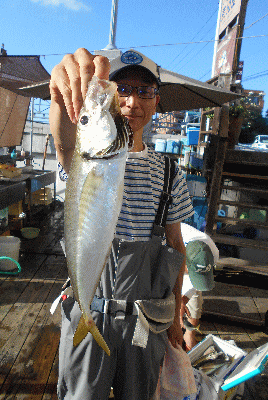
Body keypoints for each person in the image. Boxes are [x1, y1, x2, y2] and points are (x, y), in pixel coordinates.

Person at [49, 48, 194, 400]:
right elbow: (65, 142)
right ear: (110, 99)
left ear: (157, 102)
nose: (132, 101)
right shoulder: (86, 155)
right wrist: (60, 97)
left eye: (144, 91)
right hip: (92, 308)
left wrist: (177, 315)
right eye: (122, 89)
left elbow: (176, 245)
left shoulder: (170, 172)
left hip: (146, 319)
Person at [180, 223, 219, 351]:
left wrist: (182, 301)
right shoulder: (168, 241)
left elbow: (195, 283)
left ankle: (190, 338)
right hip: (171, 257)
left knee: (193, 313)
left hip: (190, 262)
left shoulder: (212, 252)